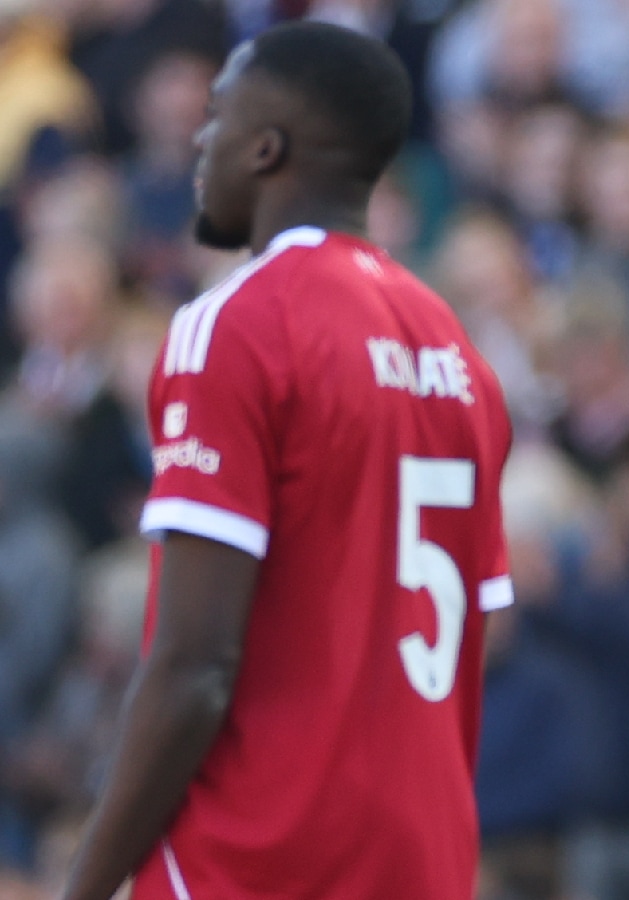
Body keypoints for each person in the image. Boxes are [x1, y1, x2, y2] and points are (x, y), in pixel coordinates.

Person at [59, 22, 512, 900]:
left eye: (218, 115)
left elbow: (194, 666)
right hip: (422, 855)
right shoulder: (462, 357)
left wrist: (84, 885)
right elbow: (472, 641)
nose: (200, 138)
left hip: (264, 851)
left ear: (266, 147)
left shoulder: (235, 323)